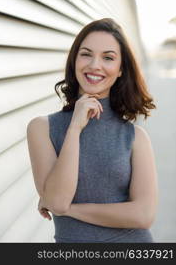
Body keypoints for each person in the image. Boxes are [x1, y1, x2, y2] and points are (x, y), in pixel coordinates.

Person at [27, 18, 158, 243]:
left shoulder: (135, 137)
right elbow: (57, 201)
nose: (95, 65)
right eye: (86, 54)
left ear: (120, 70)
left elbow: (143, 215)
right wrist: (75, 128)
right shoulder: (42, 128)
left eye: (108, 57)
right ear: (74, 60)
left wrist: (70, 210)